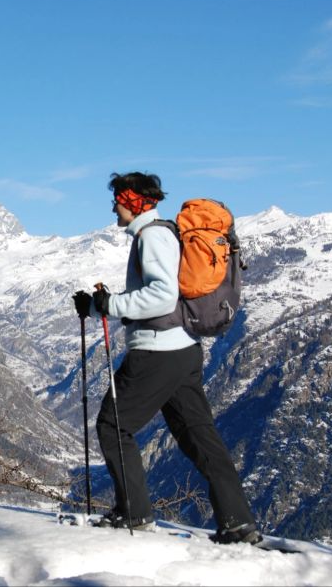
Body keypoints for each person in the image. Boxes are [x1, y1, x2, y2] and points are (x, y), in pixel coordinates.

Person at [72, 171, 261, 545]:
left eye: (118, 200)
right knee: (198, 436)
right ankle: (237, 522)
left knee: (113, 424)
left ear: (133, 202)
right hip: (181, 351)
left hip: (157, 351)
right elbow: (153, 298)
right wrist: (98, 307)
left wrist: (110, 305)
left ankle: (134, 513)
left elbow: (160, 296)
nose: (113, 206)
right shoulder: (162, 233)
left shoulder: (152, 236)